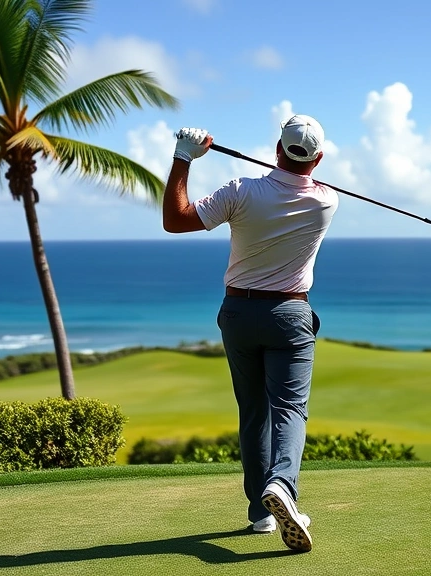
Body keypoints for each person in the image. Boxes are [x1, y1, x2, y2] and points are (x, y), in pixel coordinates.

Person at [162, 114, 339, 552]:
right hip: (290, 317)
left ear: (277, 149)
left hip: (238, 313)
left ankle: (261, 513)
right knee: (290, 410)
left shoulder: (240, 192)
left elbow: (176, 219)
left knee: (253, 412)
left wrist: (185, 158)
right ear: (317, 159)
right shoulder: (327, 202)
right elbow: (301, 179)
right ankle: (282, 486)